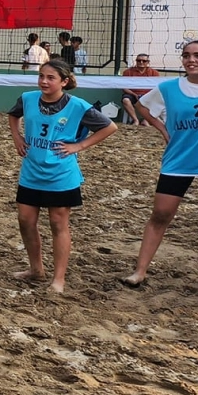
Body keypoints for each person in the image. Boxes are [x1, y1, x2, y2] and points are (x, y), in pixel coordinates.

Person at [8, 58, 117, 293]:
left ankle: (59, 280)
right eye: (41, 76)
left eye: (50, 78)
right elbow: (13, 115)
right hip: (31, 171)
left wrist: (78, 146)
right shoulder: (27, 99)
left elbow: (109, 127)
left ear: (64, 81)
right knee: (26, 221)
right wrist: (17, 137)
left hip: (60, 174)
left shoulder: (77, 106)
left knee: (58, 223)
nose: (44, 81)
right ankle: (36, 270)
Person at [122, 40, 198, 292]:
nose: (191, 60)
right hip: (179, 159)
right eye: (186, 55)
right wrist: (163, 129)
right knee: (160, 215)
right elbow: (142, 107)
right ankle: (140, 271)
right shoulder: (169, 88)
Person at [120, 52, 160, 126]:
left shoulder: (154, 73)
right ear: (136, 61)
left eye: (144, 61)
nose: (141, 62)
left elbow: (157, 88)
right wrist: (134, 94)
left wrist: (147, 96)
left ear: (148, 62)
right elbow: (124, 88)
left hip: (148, 95)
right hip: (132, 94)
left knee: (158, 100)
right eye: (139, 60)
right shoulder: (128, 72)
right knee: (126, 100)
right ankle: (135, 120)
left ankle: (146, 120)